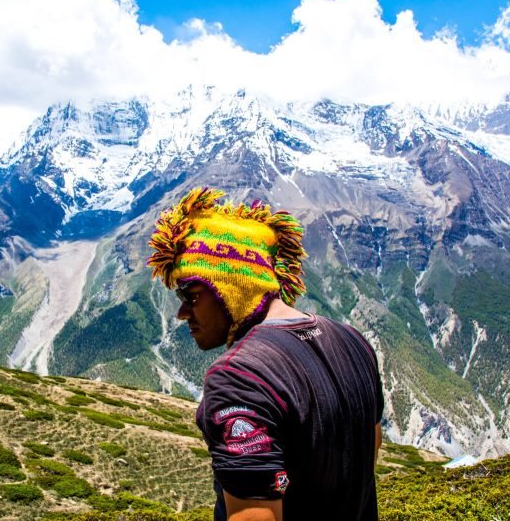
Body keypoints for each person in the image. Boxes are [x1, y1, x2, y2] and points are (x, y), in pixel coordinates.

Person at [148, 187, 384, 521]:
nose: (182, 312)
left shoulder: (238, 378)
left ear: (231, 288)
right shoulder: (353, 341)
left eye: (191, 293)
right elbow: (368, 454)